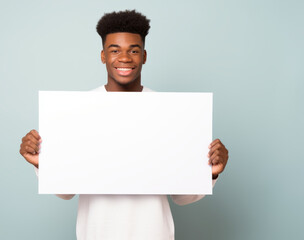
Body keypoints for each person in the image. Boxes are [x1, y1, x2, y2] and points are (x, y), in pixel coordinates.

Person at [19, 10, 229, 240]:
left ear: (145, 56)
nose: (125, 58)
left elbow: (182, 196)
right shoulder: (78, 111)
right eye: (115, 50)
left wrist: (211, 173)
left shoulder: (170, 112)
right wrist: (43, 164)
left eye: (134, 50)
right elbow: (66, 192)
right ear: (102, 56)